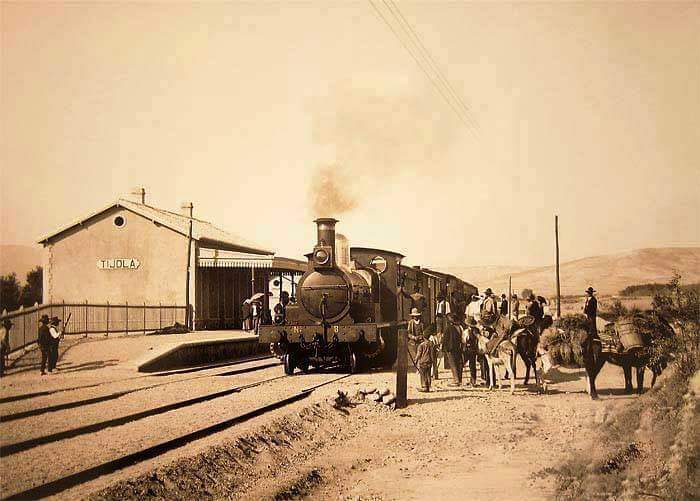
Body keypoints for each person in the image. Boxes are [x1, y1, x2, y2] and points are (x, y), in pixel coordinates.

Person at [441, 313, 463, 386]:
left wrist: (443, 348)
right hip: (458, 348)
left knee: (453, 364)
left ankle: (456, 380)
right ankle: (459, 379)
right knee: (458, 363)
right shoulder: (459, 328)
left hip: (450, 349)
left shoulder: (448, 328)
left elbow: (445, 339)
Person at [462, 316, 479, 386]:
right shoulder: (477, 331)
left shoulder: (466, 331)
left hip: (468, 349)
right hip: (474, 349)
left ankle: (469, 380)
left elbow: (463, 341)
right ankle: (473, 380)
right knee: (472, 365)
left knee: (463, 364)